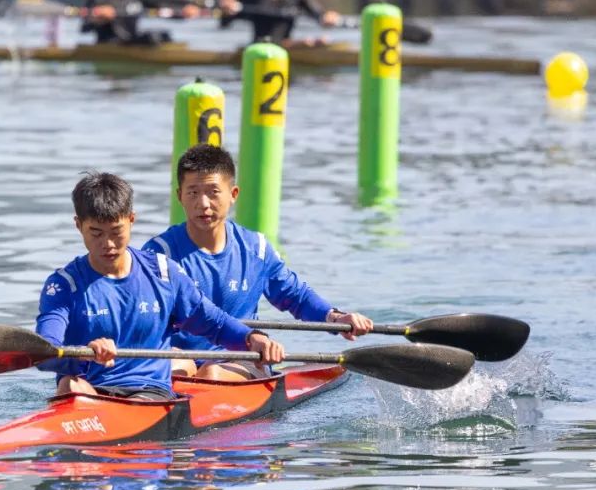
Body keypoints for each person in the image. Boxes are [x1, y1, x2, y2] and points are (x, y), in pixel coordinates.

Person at [36, 171, 285, 400]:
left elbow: (212, 322)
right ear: (78, 225)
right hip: (89, 388)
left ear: (131, 220)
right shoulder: (63, 285)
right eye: (96, 233)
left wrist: (251, 338)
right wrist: (80, 353)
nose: (108, 244)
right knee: (69, 386)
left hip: (148, 392)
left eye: (116, 231)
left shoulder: (163, 273)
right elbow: (46, 350)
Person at [143, 145, 373, 382]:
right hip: (181, 357)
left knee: (210, 373)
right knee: (178, 367)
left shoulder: (256, 249)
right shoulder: (159, 254)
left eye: (213, 192)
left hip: (240, 355)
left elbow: (296, 296)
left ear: (233, 195)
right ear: (179, 195)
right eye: (193, 193)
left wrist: (336, 318)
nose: (203, 203)